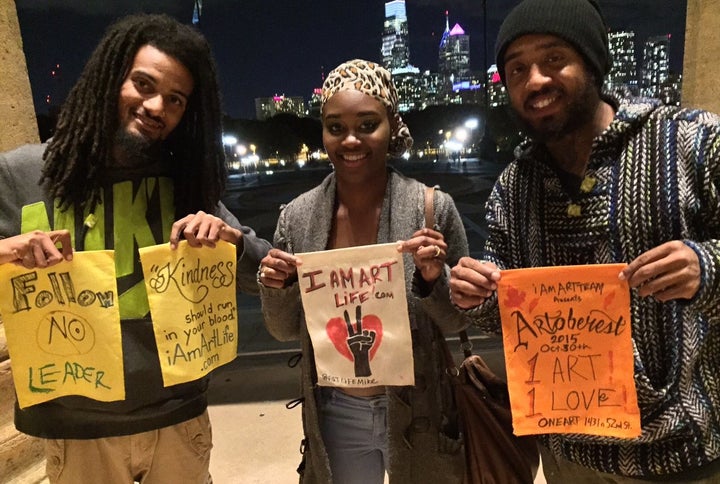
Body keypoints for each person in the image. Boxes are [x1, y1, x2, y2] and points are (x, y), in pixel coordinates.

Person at [448, 0, 720, 482]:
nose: (535, 81)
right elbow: (507, 313)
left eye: (554, 59)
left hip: (684, 455)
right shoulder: (514, 188)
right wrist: (477, 294)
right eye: (517, 69)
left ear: (593, 63)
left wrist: (708, 267)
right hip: (568, 455)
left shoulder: (692, 143)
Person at [0, 14, 271, 484]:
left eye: (175, 100)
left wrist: (232, 243)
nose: (155, 106)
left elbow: (264, 272)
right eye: (143, 84)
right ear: (109, 79)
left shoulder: (185, 181)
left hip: (178, 419)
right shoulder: (20, 173)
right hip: (77, 426)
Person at [258, 59, 469, 483]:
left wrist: (433, 279)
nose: (350, 139)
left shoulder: (431, 209)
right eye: (335, 127)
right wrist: (277, 287)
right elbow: (283, 331)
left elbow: (459, 318)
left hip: (421, 406)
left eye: (367, 124)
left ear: (392, 125)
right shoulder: (297, 219)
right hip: (336, 410)